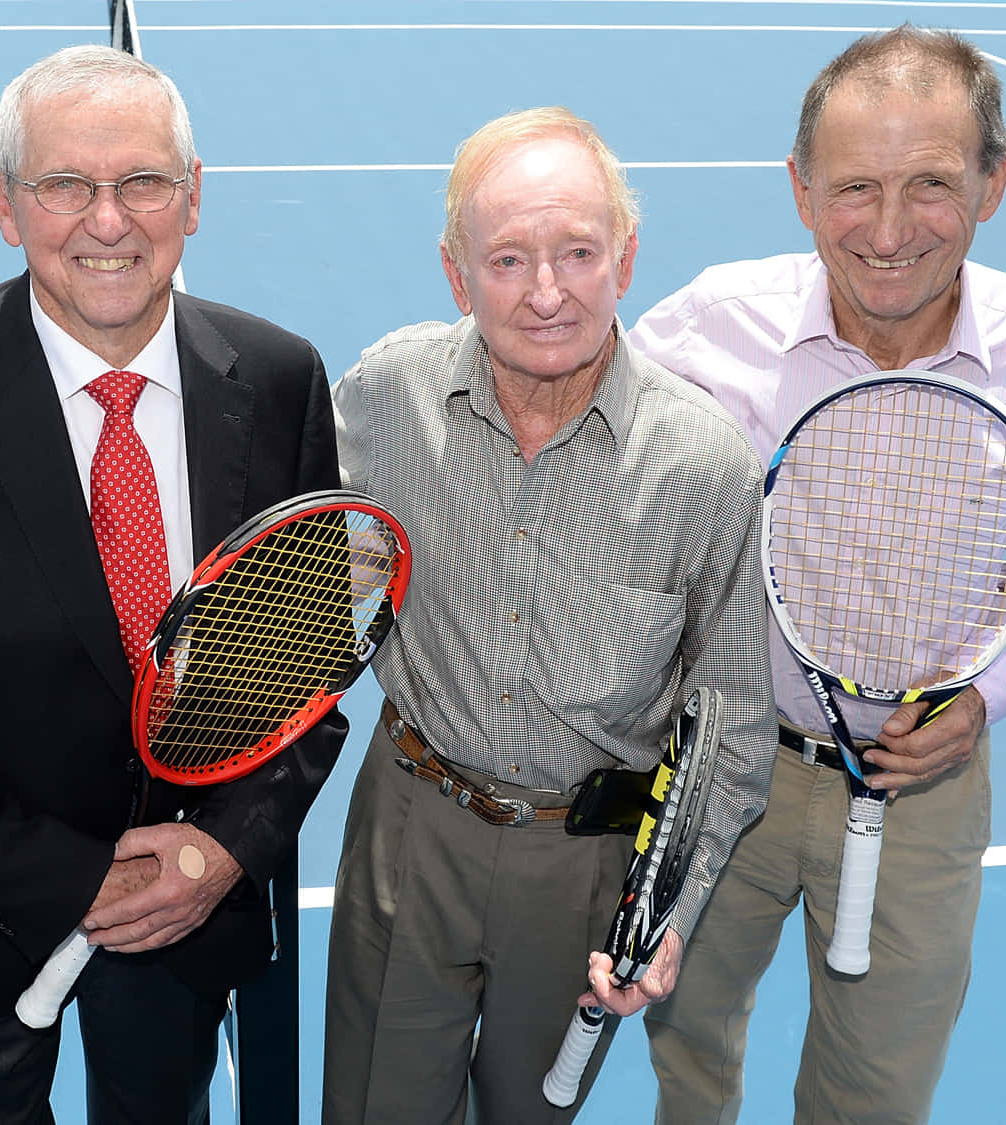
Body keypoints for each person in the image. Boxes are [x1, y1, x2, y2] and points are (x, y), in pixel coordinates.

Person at [0, 44, 346, 1124]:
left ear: (193, 199)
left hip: (189, 912)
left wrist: (220, 852)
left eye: (142, 181)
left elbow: (307, 686)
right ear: (5, 206)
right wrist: (75, 883)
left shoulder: (282, 379)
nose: (108, 220)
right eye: (64, 185)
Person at [320, 107, 777, 1125]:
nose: (545, 292)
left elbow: (736, 719)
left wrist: (667, 906)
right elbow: (319, 595)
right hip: (409, 829)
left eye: (577, 251)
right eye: (508, 258)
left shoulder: (704, 468)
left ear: (626, 257)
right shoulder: (389, 395)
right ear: (455, 275)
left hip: (584, 866)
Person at [628, 25, 1006, 1125]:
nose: (889, 232)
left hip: (924, 793)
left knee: (877, 1094)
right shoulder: (706, 330)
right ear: (800, 191)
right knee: (686, 1052)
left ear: (996, 182)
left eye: (932, 183)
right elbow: (587, 459)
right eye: (854, 187)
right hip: (724, 772)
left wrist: (986, 696)